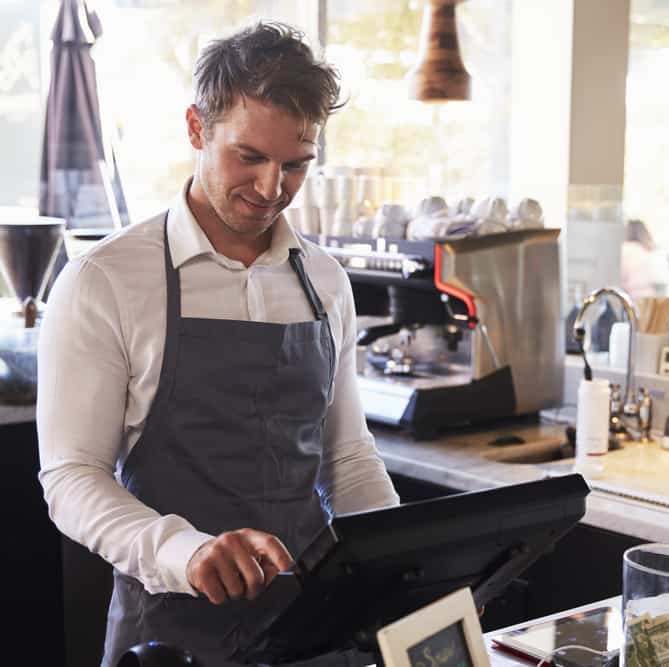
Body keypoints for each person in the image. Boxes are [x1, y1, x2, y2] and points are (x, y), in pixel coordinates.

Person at [36, 22, 399, 666]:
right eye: (250, 157)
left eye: (296, 165)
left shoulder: (324, 280)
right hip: (170, 637)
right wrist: (187, 551)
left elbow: (346, 458)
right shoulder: (105, 281)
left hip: (315, 635)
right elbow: (72, 478)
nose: (271, 189)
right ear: (197, 129)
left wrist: (406, 565)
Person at [619, 218, 666, 300]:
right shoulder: (650, 249)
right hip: (651, 297)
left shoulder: (624, 249)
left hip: (631, 297)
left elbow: (621, 275)